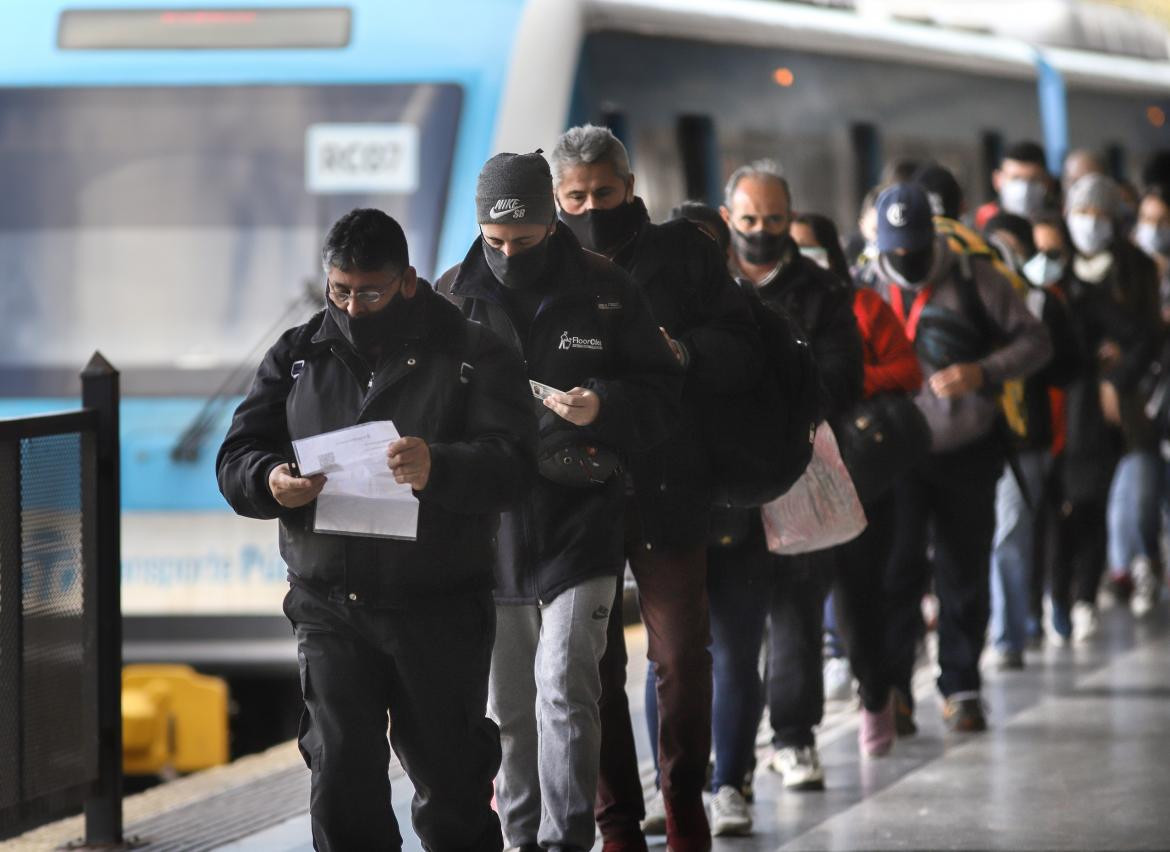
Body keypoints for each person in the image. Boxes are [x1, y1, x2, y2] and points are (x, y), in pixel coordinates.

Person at [216, 208, 537, 851]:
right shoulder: (299, 354)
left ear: (408, 281)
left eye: (371, 291)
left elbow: (517, 468)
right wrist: (270, 480)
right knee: (341, 782)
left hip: (438, 607)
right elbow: (237, 455)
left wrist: (439, 466)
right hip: (329, 604)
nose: (354, 307)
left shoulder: (473, 353)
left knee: (451, 789)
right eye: (340, 289)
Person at [438, 151, 682, 852]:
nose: (509, 252)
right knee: (508, 707)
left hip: (583, 517)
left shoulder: (606, 289)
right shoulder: (454, 296)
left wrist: (602, 405)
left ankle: (566, 839)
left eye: (524, 237)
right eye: (495, 239)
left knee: (566, 686)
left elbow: (663, 392)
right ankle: (520, 838)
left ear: (552, 221)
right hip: (493, 529)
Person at [547, 125, 760, 849]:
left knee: (679, 658)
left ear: (630, 188)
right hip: (579, 494)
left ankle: (683, 801)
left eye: (603, 193)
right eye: (575, 196)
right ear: (555, 198)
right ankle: (616, 822)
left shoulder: (683, 255)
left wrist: (686, 351)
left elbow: (743, 349)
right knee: (595, 668)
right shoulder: (540, 264)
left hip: (670, 484)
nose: (590, 208)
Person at [866, 183, 1051, 732]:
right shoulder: (865, 284)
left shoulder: (976, 278)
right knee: (896, 569)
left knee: (961, 567)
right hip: (892, 453)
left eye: (915, 248)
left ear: (933, 235)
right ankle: (895, 686)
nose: (906, 260)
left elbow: (1036, 342)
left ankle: (962, 685)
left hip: (967, 447)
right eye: (896, 249)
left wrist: (984, 372)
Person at [713, 160, 864, 801]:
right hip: (726, 489)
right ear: (728, 219)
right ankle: (727, 767)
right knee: (732, 630)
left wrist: (773, 409)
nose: (762, 230)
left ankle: (795, 737)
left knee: (800, 607)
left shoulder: (822, 291)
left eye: (775, 220)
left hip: (799, 474)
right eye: (749, 220)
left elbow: (841, 378)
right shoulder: (705, 285)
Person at [795, 210, 923, 753]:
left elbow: (908, 371)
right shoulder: (758, 309)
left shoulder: (862, 305)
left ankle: (877, 695)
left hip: (857, 471)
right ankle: (791, 735)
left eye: (810, 247)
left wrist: (848, 377)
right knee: (793, 608)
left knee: (859, 592)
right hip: (787, 474)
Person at [1054, 174, 1162, 641]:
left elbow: (1146, 333)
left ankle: (1124, 570)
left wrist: (1117, 379)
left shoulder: (1133, 266)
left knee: (1120, 495)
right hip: (1067, 406)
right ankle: (1068, 593)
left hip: (1127, 410)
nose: (1089, 224)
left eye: (1099, 215)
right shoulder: (1058, 270)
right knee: (1069, 502)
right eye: (1082, 212)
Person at [981, 212, 1082, 668]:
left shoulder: (1040, 303)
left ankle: (1011, 633)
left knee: (1016, 532)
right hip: (978, 437)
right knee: (1009, 534)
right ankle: (1015, 625)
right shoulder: (972, 298)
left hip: (1029, 439)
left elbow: (1070, 366)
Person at [975, 141, 1052, 228]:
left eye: (1033, 180)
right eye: (1015, 178)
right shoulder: (984, 221)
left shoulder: (1058, 223)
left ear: (1047, 182)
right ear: (997, 180)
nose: (1025, 189)